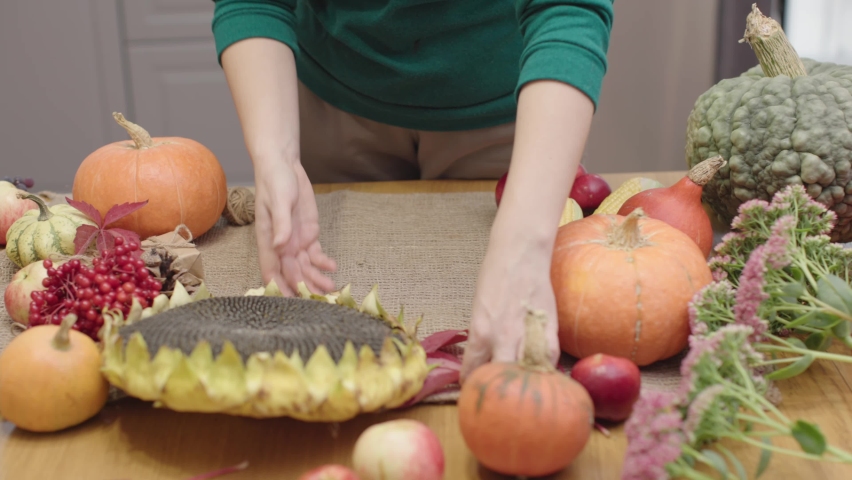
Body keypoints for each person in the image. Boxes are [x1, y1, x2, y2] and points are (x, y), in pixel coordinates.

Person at [211, 0, 614, 382]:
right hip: (332, 95)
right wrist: (275, 157)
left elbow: (567, 7)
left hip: (511, 103)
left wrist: (525, 243)